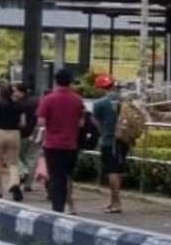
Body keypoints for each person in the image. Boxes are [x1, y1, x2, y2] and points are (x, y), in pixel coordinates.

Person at [36, 68, 85, 213]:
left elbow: (41, 122)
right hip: (70, 144)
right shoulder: (77, 100)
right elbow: (81, 123)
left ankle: (57, 207)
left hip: (52, 144)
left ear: (56, 81)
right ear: (70, 81)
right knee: (66, 175)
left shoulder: (48, 99)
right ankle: (67, 204)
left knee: (55, 176)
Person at [91, 75, 128, 214]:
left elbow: (95, 122)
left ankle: (117, 203)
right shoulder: (123, 100)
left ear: (100, 88)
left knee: (112, 172)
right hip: (123, 139)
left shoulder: (99, 103)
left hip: (108, 140)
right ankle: (113, 202)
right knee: (118, 171)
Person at [13, 83, 39, 194]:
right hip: (35, 134)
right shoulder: (36, 101)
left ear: (20, 92)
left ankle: (23, 172)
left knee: (17, 157)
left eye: (15, 91)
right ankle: (28, 185)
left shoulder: (19, 104)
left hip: (21, 134)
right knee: (31, 159)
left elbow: (20, 122)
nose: (14, 93)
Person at [0, 84, 23, 201]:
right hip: (14, 133)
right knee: (13, 163)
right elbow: (22, 123)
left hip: (0, 132)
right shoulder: (18, 105)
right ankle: (14, 183)